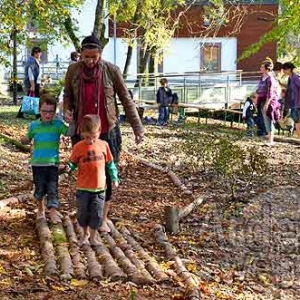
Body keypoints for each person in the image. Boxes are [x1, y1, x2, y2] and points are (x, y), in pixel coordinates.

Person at [63, 34, 144, 232]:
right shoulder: (73, 70)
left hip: (107, 132)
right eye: (86, 57)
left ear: (100, 54)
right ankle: (85, 213)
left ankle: (103, 218)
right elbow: (68, 94)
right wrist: (67, 109)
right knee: (85, 172)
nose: (90, 61)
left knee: (106, 173)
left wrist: (138, 128)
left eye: (94, 57)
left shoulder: (111, 70)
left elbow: (126, 99)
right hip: (83, 133)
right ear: (81, 54)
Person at [68, 115, 119, 246]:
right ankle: (85, 234)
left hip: (99, 188)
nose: (90, 141)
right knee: (83, 213)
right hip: (83, 187)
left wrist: (114, 177)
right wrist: (68, 168)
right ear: (81, 132)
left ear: (99, 131)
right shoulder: (78, 147)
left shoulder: (104, 145)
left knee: (97, 214)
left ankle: (93, 237)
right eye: (86, 138)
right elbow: (72, 163)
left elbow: (110, 164)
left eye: (93, 137)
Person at [20, 94, 71, 223]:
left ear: (55, 111)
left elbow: (69, 132)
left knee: (53, 188)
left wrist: (72, 121)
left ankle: (53, 212)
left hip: (53, 163)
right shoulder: (34, 125)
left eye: (51, 112)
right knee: (40, 188)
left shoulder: (58, 124)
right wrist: (24, 140)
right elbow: (28, 139)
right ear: (39, 110)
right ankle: (41, 210)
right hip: (37, 164)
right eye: (44, 111)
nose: (47, 115)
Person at [256, 59, 280, 145]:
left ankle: (271, 140)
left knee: (268, 120)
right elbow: (258, 90)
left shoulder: (270, 79)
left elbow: (270, 93)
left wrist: (267, 104)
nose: (260, 68)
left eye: (262, 67)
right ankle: (269, 139)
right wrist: (256, 100)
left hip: (269, 102)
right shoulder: (262, 77)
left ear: (266, 69)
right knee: (264, 120)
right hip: (261, 101)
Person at [17, 46, 42, 118]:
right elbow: (30, 73)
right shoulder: (31, 61)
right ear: (35, 53)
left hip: (36, 82)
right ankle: (38, 115)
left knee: (29, 98)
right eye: (39, 53)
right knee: (36, 98)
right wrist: (33, 85)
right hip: (33, 83)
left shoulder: (35, 60)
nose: (40, 54)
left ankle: (20, 114)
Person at [282, 62, 300, 138]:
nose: (283, 71)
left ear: (289, 69)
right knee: (297, 122)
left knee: (298, 122)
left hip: (298, 104)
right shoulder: (290, 78)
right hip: (293, 104)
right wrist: (280, 83)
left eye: (284, 69)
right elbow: (289, 89)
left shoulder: (296, 77)